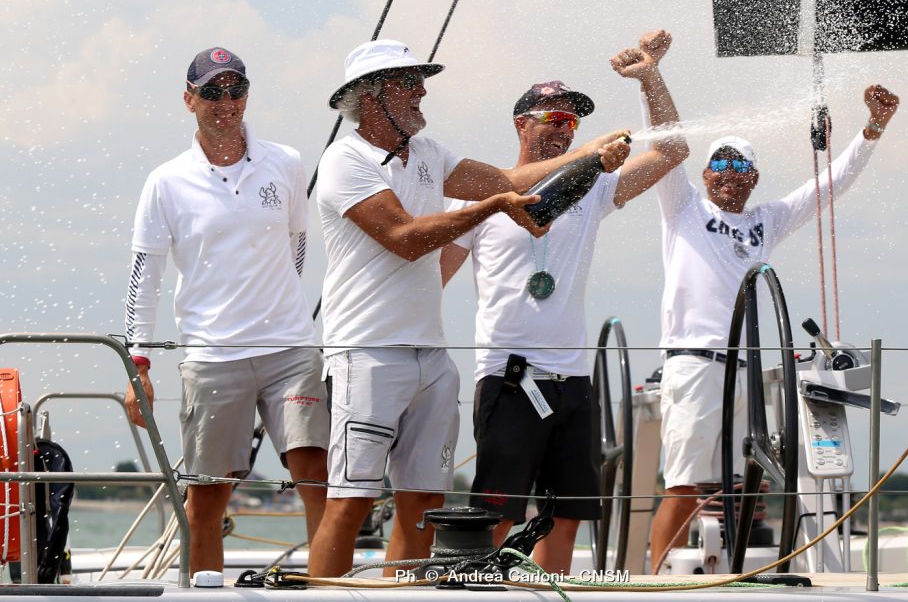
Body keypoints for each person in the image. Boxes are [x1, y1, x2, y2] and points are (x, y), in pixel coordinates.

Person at [308, 39, 631, 577]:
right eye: (409, 82)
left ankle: (405, 597)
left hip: (431, 355)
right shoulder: (345, 159)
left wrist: (589, 156)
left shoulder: (429, 153)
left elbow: (508, 181)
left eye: (420, 80)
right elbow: (406, 237)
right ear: (371, 96)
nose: (422, 91)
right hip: (366, 353)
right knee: (350, 501)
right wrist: (491, 208)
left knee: (423, 504)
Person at [438, 30, 686, 574]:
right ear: (521, 125)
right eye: (552, 118)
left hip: (573, 378)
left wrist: (650, 76)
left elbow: (672, 151)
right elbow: (433, 280)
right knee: (496, 513)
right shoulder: (482, 194)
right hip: (508, 375)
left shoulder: (594, 188)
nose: (562, 129)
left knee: (565, 515)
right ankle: (478, 590)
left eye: (571, 123)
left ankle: (554, 592)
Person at [647, 84, 900, 570]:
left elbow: (830, 185)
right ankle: (654, 586)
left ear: (754, 177)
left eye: (740, 165)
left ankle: (733, 576)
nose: (728, 172)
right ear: (704, 173)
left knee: (738, 483)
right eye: (719, 163)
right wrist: (650, 78)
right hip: (694, 365)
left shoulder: (768, 220)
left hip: (745, 370)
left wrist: (873, 128)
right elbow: (665, 140)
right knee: (682, 485)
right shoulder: (683, 207)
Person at [123, 47, 329, 575]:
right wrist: (138, 364)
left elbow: (297, 247)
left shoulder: (286, 161)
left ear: (247, 95)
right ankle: (207, 594)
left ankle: (327, 591)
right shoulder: (165, 181)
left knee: (318, 478)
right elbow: (145, 278)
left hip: (290, 348)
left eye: (236, 89)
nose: (226, 101)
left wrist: (278, 304)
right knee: (207, 500)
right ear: (189, 99)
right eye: (212, 91)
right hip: (212, 355)